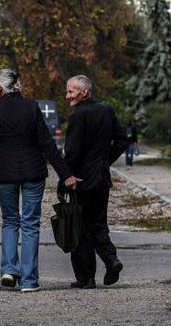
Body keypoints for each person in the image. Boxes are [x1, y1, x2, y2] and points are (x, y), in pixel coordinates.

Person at [0, 68, 77, 293]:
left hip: (4, 174)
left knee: (10, 221)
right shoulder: (31, 107)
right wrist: (65, 174)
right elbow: (47, 144)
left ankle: (9, 270)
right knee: (30, 224)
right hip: (33, 172)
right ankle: (29, 281)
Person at [59, 75, 128, 289]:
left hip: (80, 180)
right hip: (101, 179)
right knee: (98, 223)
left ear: (84, 92)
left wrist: (64, 182)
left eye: (71, 91)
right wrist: (104, 161)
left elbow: (72, 152)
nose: (67, 95)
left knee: (80, 228)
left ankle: (86, 278)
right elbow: (122, 140)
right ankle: (111, 260)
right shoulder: (106, 109)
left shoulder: (79, 115)